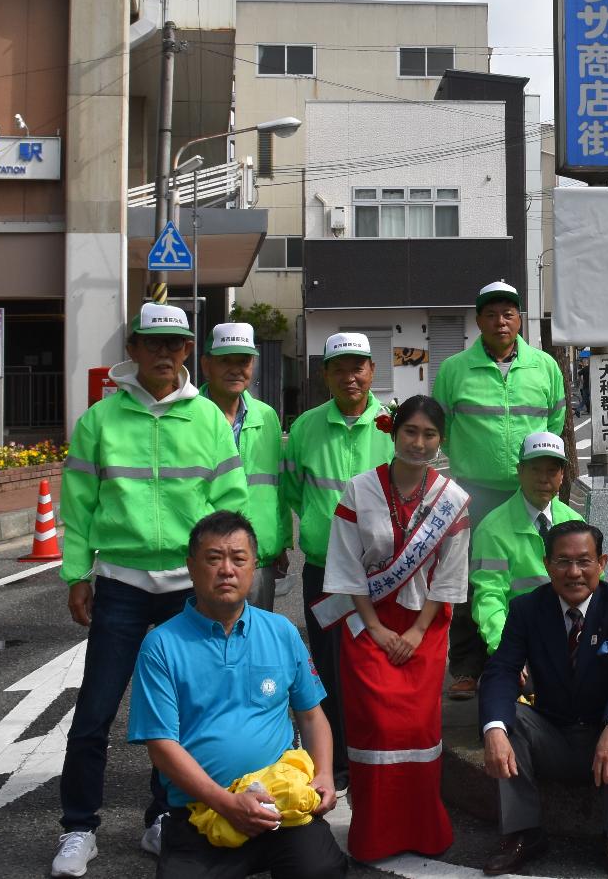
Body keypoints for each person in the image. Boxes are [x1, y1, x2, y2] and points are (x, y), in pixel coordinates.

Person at [52, 303, 252, 878]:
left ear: (189, 352)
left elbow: (229, 501)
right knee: (95, 710)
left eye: (177, 345)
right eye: (154, 344)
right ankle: (78, 829)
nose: (166, 355)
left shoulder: (210, 420)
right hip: (119, 583)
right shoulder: (100, 421)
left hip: (187, 589)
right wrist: (75, 575)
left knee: (183, 714)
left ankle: (163, 816)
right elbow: (79, 505)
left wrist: (224, 574)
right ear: (134, 349)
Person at [127, 510, 345, 879]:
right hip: (202, 809)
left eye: (238, 559)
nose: (226, 569)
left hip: (281, 802)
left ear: (253, 567)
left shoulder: (281, 632)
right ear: (191, 567)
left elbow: (311, 715)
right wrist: (227, 803)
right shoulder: (161, 645)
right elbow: (161, 745)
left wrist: (323, 773)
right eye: (214, 559)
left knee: (322, 870)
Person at [316, 395, 470, 863]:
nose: (419, 443)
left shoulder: (453, 500)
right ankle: (374, 834)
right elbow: (345, 568)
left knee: (419, 730)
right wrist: (377, 628)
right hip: (368, 624)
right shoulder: (358, 490)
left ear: (441, 440)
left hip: (425, 626)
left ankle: (423, 829)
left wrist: (418, 633)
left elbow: (450, 577)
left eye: (429, 435)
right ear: (393, 432)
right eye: (411, 432)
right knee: (376, 727)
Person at [478, 521, 608, 879]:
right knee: (505, 718)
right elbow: (501, 670)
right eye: (562, 561)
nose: (574, 572)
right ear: (547, 564)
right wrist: (492, 730)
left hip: (605, 729)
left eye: (584, 561)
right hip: (554, 731)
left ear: (602, 563)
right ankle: (524, 834)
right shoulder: (528, 609)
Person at [435, 281, 569, 699]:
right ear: (478, 321)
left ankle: (541, 651)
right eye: (491, 314)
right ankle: (468, 664)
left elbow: (558, 419)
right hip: (473, 492)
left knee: (534, 571)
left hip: (532, 489)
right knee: (469, 579)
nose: (500, 322)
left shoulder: (544, 366)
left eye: (509, 313)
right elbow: (443, 429)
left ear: (520, 319)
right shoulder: (454, 369)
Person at [283, 333, 394, 789]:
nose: (350, 377)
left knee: (378, 659)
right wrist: (314, 524)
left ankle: (379, 751)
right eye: (339, 369)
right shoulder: (306, 427)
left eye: (358, 367)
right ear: (325, 374)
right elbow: (293, 490)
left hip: (384, 571)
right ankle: (338, 762)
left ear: (372, 371)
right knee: (327, 664)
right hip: (324, 567)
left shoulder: (392, 423)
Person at [469, 431, 582, 657]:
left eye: (552, 470)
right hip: (521, 640)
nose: (543, 479)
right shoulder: (492, 530)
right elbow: (489, 598)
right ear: (520, 472)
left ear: (562, 475)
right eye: (535, 469)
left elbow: (594, 587)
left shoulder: (575, 523)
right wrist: (506, 651)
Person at [201, 322, 288, 609]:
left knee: (254, 642)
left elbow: (279, 485)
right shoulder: (187, 416)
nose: (236, 369)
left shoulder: (267, 416)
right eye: (226, 360)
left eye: (244, 361)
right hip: (203, 555)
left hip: (257, 556)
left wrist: (281, 541)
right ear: (206, 365)